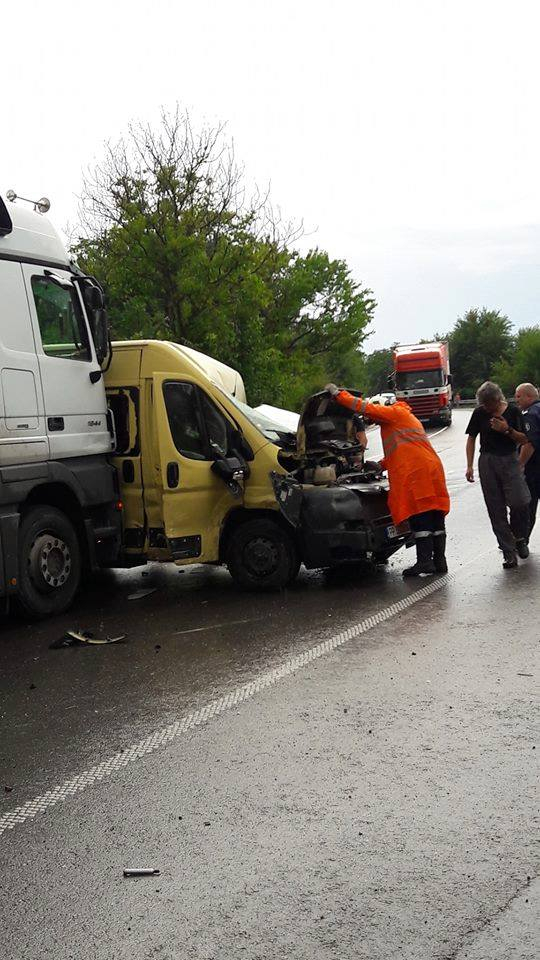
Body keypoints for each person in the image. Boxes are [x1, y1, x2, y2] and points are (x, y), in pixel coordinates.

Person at [325, 383, 450, 576]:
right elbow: (402, 449)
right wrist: (381, 465)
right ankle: (439, 562)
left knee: (421, 517)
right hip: (429, 468)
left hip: (417, 472)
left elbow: (364, 407)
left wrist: (338, 395)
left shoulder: (393, 414)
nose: (370, 419)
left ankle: (425, 562)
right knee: (435, 518)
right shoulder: (404, 417)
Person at [465, 381, 530, 568]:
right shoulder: (479, 413)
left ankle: (519, 537)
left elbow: (524, 439)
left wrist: (506, 430)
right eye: (483, 404)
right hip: (487, 461)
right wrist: (469, 465)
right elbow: (471, 438)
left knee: (520, 501)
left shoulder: (513, 412)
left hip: (510, 459)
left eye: (488, 404)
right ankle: (508, 552)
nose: (486, 408)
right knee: (495, 508)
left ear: (497, 399)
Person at [511, 383, 540, 538]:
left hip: (534, 469)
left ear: (529, 396)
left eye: (519, 396)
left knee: (528, 506)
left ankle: (521, 539)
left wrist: (520, 465)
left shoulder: (530, 415)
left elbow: (529, 443)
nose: (516, 400)